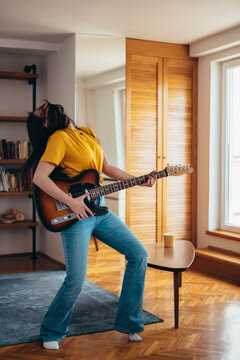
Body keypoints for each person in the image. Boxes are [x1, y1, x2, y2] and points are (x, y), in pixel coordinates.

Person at [22, 100, 156, 350]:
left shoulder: (87, 133)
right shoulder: (58, 139)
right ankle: (52, 330)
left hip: (100, 210)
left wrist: (139, 180)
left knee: (138, 254)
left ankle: (129, 323)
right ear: (46, 121)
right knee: (76, 279)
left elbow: (107, 169)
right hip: (77, 214)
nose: (49, 106)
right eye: (43, 110)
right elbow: (40, 178)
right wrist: (71, 203)